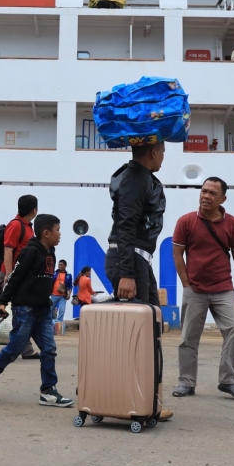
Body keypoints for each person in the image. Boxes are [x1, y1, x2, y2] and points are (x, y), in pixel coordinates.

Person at [0, 214, 74, 407]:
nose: (60, 234)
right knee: (14, 349)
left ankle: (48, 391)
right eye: (58, 230)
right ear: (46, 233)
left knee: (49, 349)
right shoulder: (30, 252)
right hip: (25, 309)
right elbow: (15, 277)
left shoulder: (50, 252)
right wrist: (2, 301)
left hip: (43, 309)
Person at [105, 141, 173, 421]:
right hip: (130, 261)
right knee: (140, 338)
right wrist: (127, 273)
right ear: (153, 152)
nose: (163, 159)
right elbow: (126, 226)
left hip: (139, 259)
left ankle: (148, 400)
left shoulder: (139, 177)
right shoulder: (135, 179)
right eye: (163, 153)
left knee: (151, 330)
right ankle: (137, 402)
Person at [172, 177, 234, 400]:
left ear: (222, 199)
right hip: (195, 289)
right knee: (188, 337)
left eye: (212, 193)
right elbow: (177, 254)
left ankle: (228, 381)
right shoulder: (186, 221)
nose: (206, 196)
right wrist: (186, 283)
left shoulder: (232, 223)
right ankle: (186, 383)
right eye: (203, 191)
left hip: (223, 288)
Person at [0, 195, 41, 359]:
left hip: (20, 275)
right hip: (11, 274)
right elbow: (8, 250)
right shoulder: (16, 225)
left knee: (20, 310)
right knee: (2, 309)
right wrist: (8, 275)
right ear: (34, 210)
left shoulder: (27, 226)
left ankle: (26, 349)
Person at [50, 259, 72, 323]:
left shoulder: (68, 275)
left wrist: (69, 294)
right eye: (59, 264)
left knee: (62, 310)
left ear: (65, 266)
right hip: (54, 295)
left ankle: (59, 324)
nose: (60, 266)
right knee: (51, 309)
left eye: (61, 265)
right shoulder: (54, 273)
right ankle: (51, 323)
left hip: (63, 296)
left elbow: (70, 286)